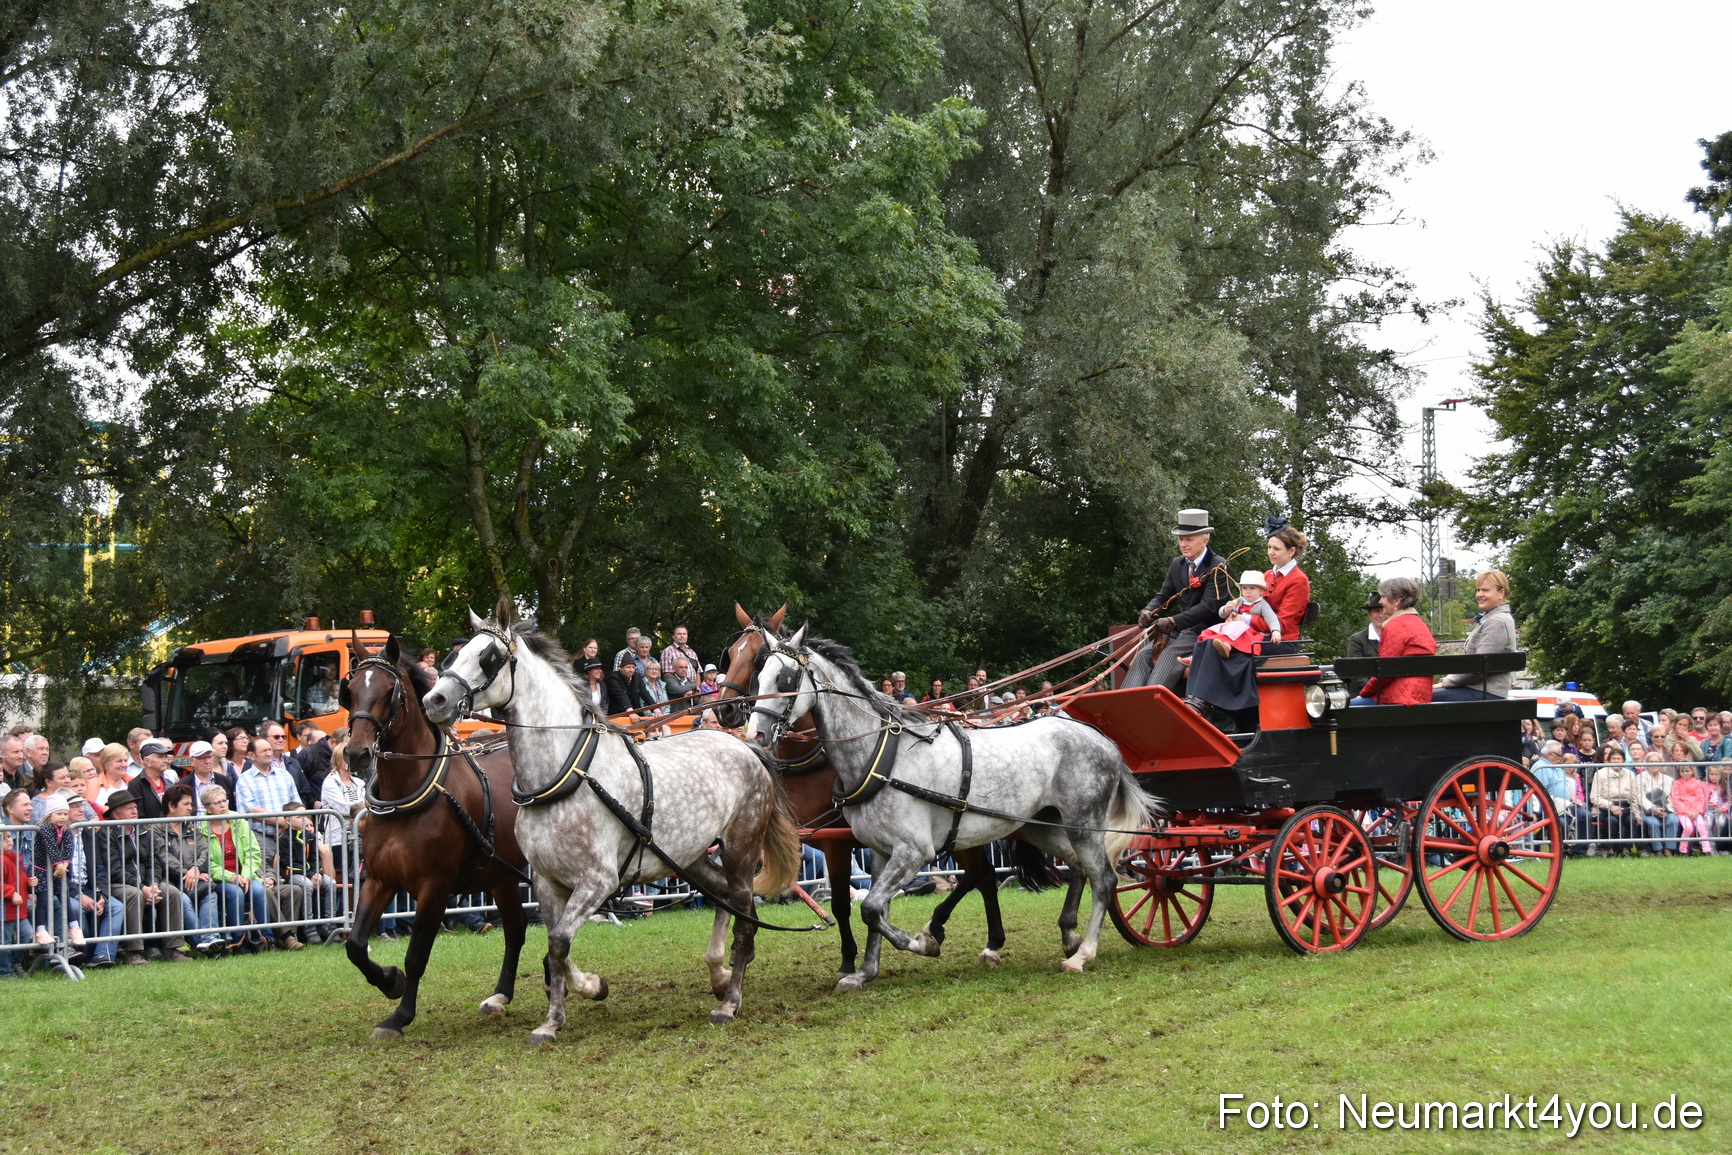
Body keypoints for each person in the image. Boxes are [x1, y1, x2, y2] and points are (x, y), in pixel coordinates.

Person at [1123, 509, 1232, 691]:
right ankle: (1125, 703)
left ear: (1205, 540)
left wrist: (1174, 621)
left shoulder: (1219, 566)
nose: (1183, 544)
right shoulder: (1177, 564)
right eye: (1181, 539)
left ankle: (1152, 703)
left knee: (1169, 655)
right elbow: (1164, 596)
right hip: (1181, 630)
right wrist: (1149, 611)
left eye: (1189, 539)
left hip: (1206, 631)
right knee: (1143, 655)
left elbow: (1210, 607)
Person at [1183, 570, 1284, 722]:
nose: (1247, 592)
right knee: (1211, 631)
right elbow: (1221, 614)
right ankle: (1197, 656)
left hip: (1248, 635)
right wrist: (1226, 609)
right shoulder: (1239, 601)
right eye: (1245, 588)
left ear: (1261, 591)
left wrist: (1275, 631)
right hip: (1233, 632)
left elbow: (1272, 620)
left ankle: (1227, 648)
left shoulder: (1262, 605)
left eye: (1252, 588)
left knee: (1235, 627)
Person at [199, 786, 273, 952]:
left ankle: (268, 938)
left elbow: (253, 853)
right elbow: (206, 862)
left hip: (245, 874)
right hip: (221, 877)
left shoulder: (239, 821)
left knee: (259, 891)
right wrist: (231, 877)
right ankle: (237, 941)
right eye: (217, 803)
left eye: (224, 800)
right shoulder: (202, 829)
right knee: (236, 893)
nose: (223, 805)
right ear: (207, 808)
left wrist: (245, 875)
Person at [156, 782, 223, 953]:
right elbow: (164, 857)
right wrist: (187, 873)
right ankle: (201, 941)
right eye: (186, 804)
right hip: (170, 880)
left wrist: (195, 869)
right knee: (182, 899)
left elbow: (204, 850)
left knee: (210, 893)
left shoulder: (191, 826)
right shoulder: (157, 828)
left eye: (191, 804)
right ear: (171, 806)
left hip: (195, 876)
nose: (190, 808)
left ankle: (211, 938)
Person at [1431, 570, 1519, 701]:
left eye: (1485, 590)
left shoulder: (1497, 621)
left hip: (1485, 692)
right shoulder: (1492, 618)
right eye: (1478, 590)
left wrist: (1444, 682)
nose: (1479, 595)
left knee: (1420, 697)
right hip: (1478, 690)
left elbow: (1477, 668)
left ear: (1501, 593)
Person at [1351, 577, 1437, 706]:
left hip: (1399, 699)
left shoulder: (1395, 625)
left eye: (1383, 597)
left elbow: (1385, 672)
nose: (1380, 601)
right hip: (1420, 695)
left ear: (1396, 601)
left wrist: (1363, 693)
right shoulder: (1419, 623)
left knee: (1341, 710)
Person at [319, 741, 366, 875]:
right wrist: (358, 806)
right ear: (339, 759)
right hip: (337, 838)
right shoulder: (330, 782)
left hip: (359, 836)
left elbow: (363, 807)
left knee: (357, 873)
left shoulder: (359, 782)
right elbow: (344, 808)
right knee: (342, 876)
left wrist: (355, 806)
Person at [1589, 747, 1641, 855]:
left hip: (1624, 806)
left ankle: (1626, 849)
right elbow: (1594, 797)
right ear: (1608, 760)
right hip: (1605, 808)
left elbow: (1634, 797)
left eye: (1619, 759)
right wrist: (1611, 806)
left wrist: (1637, 814)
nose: (1616, 761)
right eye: (1613, 759)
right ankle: (1609, 849)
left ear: (1623, 760)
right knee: (1612, 821)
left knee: (1631, 820)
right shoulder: (1600, 774)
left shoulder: (1630, 774)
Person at [1342, 591, 1385, 698]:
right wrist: (1376, 691)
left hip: (1390, 694)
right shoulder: (1357, 639)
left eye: (1383, 610)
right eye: (1376, 611)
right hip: (1362, 694)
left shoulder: (1396, 636)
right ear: (1369, 614)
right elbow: (1357, 674)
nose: (1380, 615)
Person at [1635, 751, 1678, 856]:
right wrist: (1653, 808)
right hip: (1648, 810)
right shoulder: (1640, 778)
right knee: (1653, 823)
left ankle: (1668, 849)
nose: (1654, 764)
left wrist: (1668, 810)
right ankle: (1657, 849)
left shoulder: (1669, 779)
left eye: (1656, 762)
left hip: (1665, 809)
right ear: (1646, 764)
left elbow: (1672, 797)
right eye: (1651, 762)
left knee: (1673, 820)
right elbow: (1640, 796)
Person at [1672, 763, 1714, 855]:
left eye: (1687, 771)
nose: (1685, 773)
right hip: (1683, 812)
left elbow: (1701, 798)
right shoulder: (1677, 783)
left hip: (1695, 811)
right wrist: (1684, 811)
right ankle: (1683, 850)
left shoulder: (1697, 782)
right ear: (1679, 772)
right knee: (1688, 827)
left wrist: (1698, 811)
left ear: (1692, 771)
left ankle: (1706, 849)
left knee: (1701, 826)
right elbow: (1676, 799)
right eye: (1682, 771)